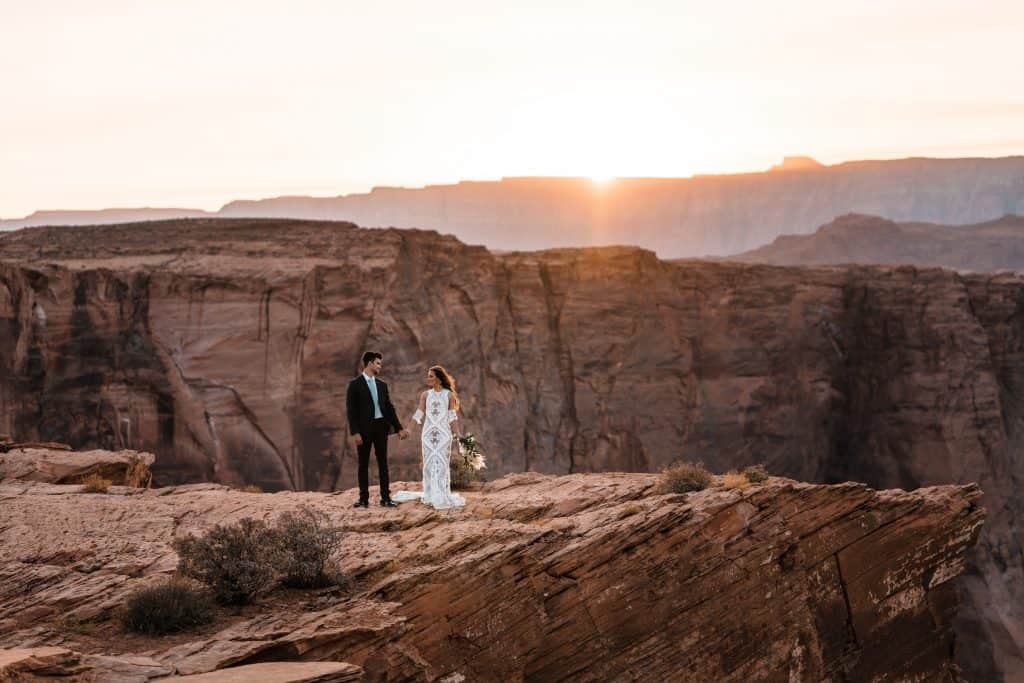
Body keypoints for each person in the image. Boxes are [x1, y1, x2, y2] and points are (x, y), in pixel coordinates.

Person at [393, 365, 466, 509]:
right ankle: (430, 493)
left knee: (442, 464)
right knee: (429, 463)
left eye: (431, 376)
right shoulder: (425, 395)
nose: (428, 378)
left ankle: (441, 494)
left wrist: (458, 435)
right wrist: (409, 429)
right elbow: (419, 413)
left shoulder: (448, 395)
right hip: (427, 435)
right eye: (428, 376)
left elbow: (452, 417)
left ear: (439, 378)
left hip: (444, 435)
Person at [346, 351, 408, 508]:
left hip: (381, 427)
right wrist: (355, 432)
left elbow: (389, 408)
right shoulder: (355, 385)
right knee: (363, 465)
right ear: (369, 363)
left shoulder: (382, 385)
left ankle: (385, 498)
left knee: (383, 463)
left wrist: (399, 427)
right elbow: (351, 410)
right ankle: (363, 500)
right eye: (378, 363)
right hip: (364, 430)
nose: (380, 366)